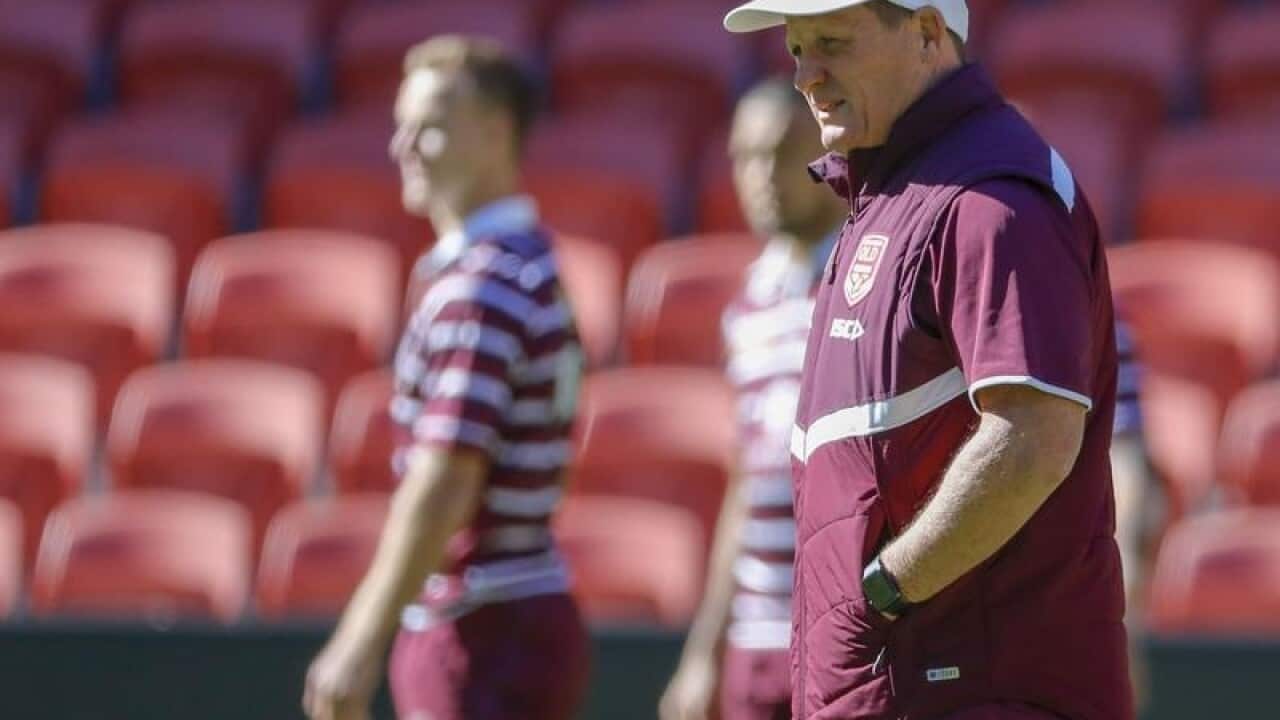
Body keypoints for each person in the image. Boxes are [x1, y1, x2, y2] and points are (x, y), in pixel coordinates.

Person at [723, 2, 1131, 719]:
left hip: (968, 688)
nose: (806, 76)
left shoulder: (990, 200)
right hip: (906, 685)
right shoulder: (893, 191)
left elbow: (1032, 441)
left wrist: (883, 590)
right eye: (795, 49)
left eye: (832, 43)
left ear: (927, 34)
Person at [303, 35, 589, 720]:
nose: (402, 146)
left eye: (428, 126)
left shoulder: (485, 282)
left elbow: (447, 481)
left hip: (484, 629)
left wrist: (360, 639)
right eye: (402, 125)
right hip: (508, 618)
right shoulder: (519, 265)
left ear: (496, 133)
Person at [660, 77, 848, 720]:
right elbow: (748, 483)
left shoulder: (865, 282)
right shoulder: (750, 302)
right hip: (755, 638)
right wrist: (703, 653)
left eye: (780, 153)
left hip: (844, 637)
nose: (761, 175)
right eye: (744, 156)